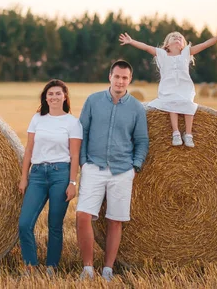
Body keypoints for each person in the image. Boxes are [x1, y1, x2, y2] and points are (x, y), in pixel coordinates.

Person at [76, 60, 149, 282]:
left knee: (115, 220)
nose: (120, 81)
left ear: (130, 80)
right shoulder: (93, 101)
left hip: (122, 171)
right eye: (117, 76)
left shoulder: (137, 108)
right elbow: (83, 132)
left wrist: (135, 166)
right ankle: (87, 269)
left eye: (125, 78)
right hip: (93, 167)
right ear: (110, 76)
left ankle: (108, 269)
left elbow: (142, 140)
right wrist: (83, 163)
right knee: (82, 216)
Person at [119, 27, 217, 147]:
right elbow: (146, 47)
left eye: (180, 37)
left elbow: (205, 44)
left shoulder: (186, 53)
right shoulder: (162, 54)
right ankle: (176, 132)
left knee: (188, 105)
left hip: (185, 87)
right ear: (167, 43)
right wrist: (131, 41)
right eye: (174, 37)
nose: (178, 38)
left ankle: (188, 134)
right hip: (168, 88)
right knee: (172, 103)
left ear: (183, 44)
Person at [18, 79, 82, 275]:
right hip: (37, 174)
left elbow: (75, 155)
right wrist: (24, 177)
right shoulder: (37, 118)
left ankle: (51, 267)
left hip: (60, 175)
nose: (54, 97)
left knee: (55, 225)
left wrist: (72, 182)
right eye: (50, 94)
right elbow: (29, 149)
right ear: (45, 97)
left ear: (65, 97)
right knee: (24, 223)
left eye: (58, 93)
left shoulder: (72, 122)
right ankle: (30, 265)